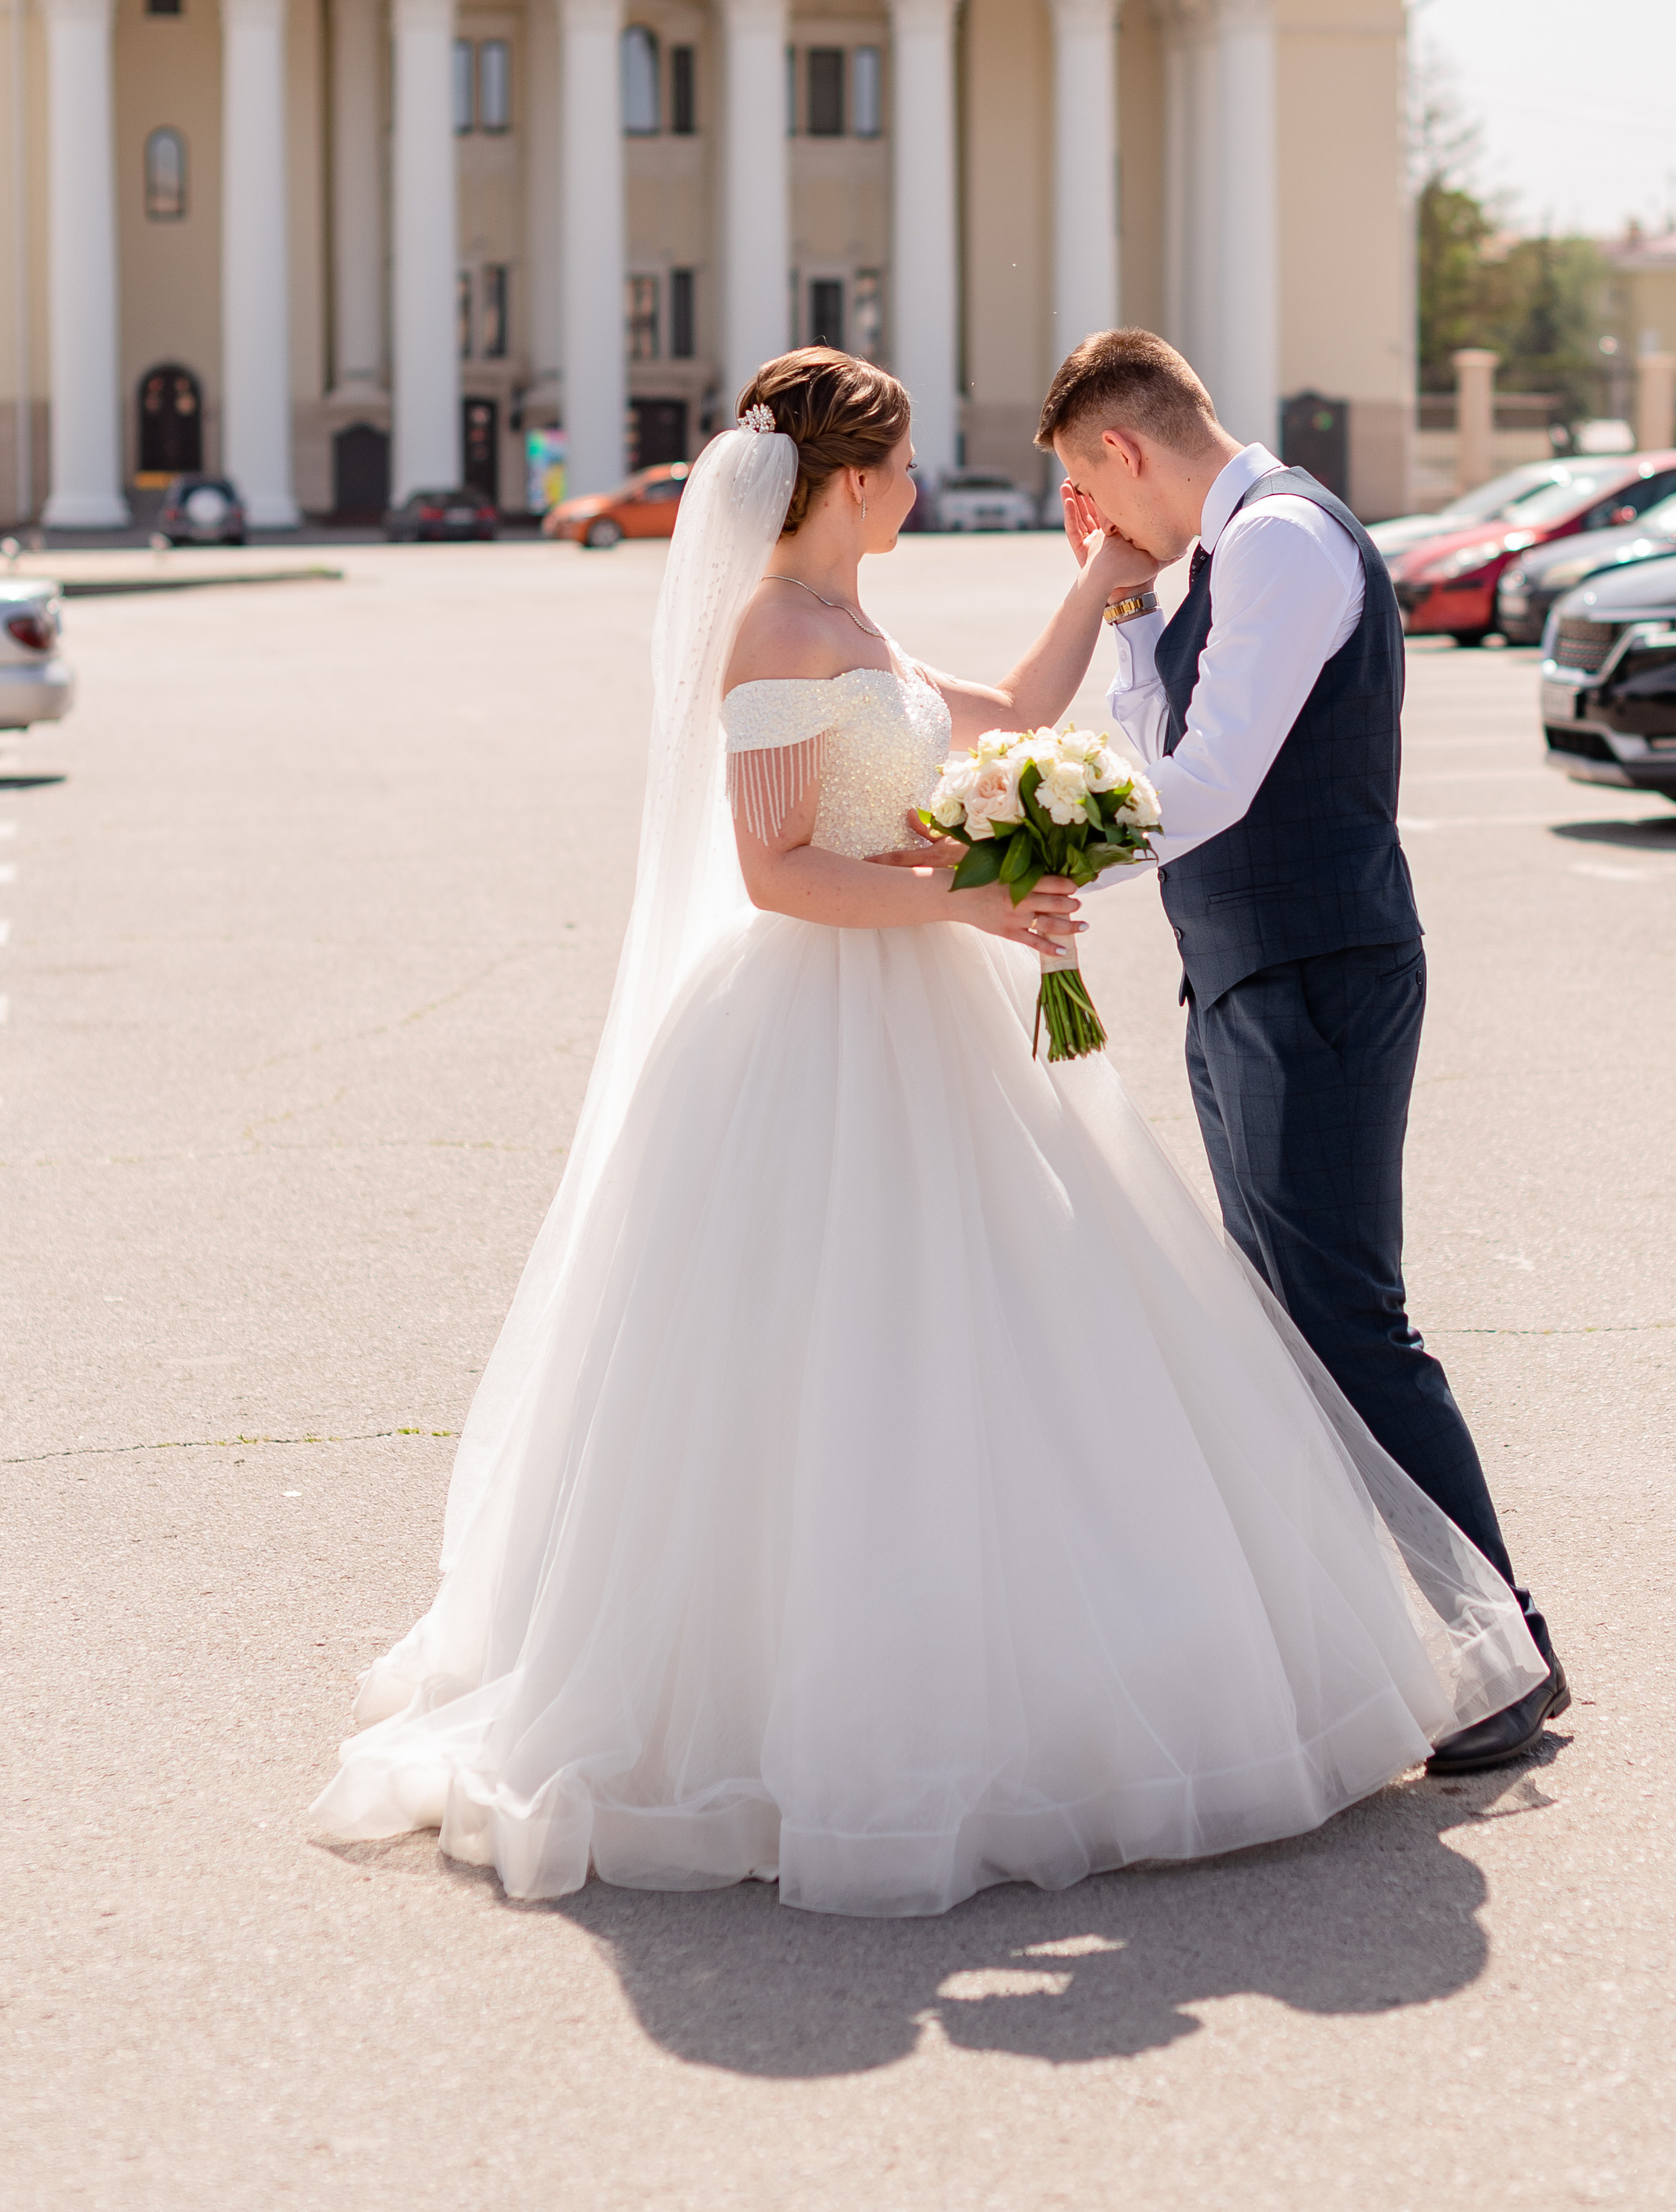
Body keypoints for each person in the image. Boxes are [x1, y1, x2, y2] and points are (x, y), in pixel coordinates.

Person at [311, 349, 1544, 1915]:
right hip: (809, 1025)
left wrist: (1103, 589)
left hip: (931, 1000)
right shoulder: (771, 630)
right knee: (833, 1360)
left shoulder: (857, 626)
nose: (916, 486)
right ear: (843, 483)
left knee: (1003, 1336)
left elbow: (1021, 713)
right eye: (897, 466)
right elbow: (770, 866)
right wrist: (971, 895)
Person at [1038, 326, 1567, 1775]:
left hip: (1318, 974)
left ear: (1122, 454)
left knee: (1344, 1316)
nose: (1094, 527)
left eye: (1090, 493)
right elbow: (1170, 735)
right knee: (1287, 1322)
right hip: (1243, 975)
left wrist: (1042, 851)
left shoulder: (1278, 545)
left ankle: (1507, 1649)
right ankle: (1413, 1637)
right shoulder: (1214, 567)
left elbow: (1207, 783)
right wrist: (1135, 618)